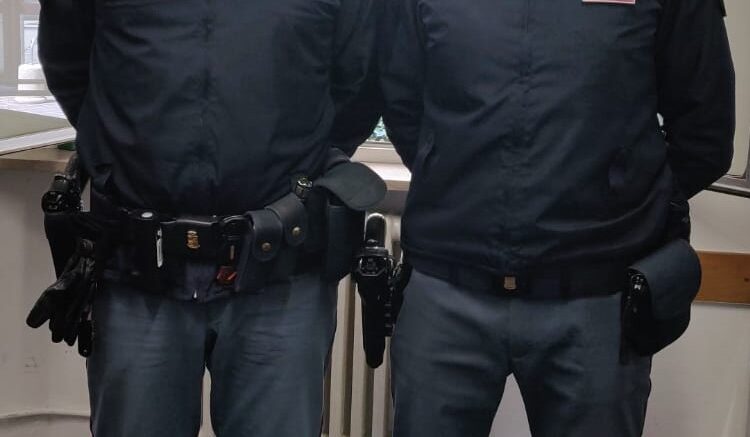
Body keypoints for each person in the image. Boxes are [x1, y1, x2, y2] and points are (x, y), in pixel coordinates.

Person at [380, 0, 735, 436]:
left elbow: (705, 133)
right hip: (446, 290)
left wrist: (626, 198)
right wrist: (450, 179)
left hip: (597, 301)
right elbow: (400, 99)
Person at [33, 0, 380, 435]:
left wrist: (292, 168)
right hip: (137, 270)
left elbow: (361, 83)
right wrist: (124, 156)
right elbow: (68, 65)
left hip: (280, 271)